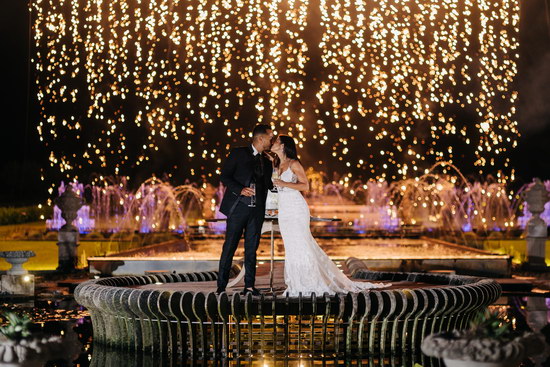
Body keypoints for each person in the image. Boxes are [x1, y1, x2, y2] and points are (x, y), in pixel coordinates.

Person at [271, 135, 388, 296]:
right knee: (291, 247)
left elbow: (305, 185)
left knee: (302, 244)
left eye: (276, 141)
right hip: (284, 210)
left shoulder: (293, 163)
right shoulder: (276, 163)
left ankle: (310, 281)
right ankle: (296, 282)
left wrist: (284, 184)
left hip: (296, 208)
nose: (272, 143)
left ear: (283, 145)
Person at [216, 124, 274, 296]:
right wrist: (239, 189)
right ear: (261, 138)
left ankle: (249, 286)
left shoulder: (267, 160)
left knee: (252, 249)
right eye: (270, 137)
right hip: (238, 208)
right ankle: (221, 287)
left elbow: (269, 185)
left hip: (256, 210)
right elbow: (224, 176)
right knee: (230, 247)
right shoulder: (238, 153)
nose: (272, 140)